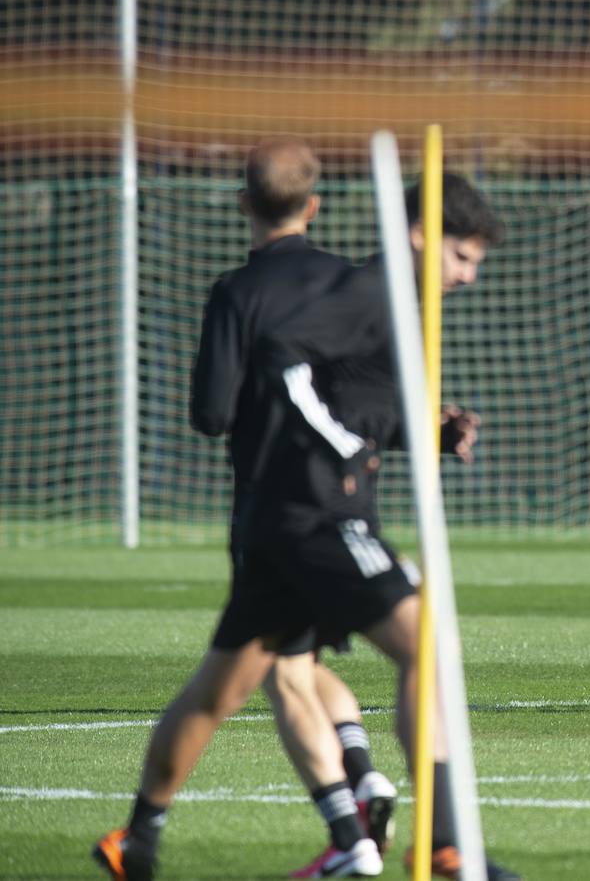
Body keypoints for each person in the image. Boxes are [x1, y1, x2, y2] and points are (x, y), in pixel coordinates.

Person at [94, 136, 389, 881]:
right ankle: (363, 781)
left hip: (271, 511)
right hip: (351, 503)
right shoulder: (354, 283)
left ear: (242, 204)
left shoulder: (236, 293)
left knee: (247, 680)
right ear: (314, 205)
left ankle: (148, 837)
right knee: (300, 659)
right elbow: (378, 395)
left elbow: (211, 413)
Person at [255, 171, 518, 881]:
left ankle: (349, 832)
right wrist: (338, 446)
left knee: (279, 674)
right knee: (424, 646)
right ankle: (441, 841)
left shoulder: (412, 308)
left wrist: (427, 430)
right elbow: (283, 360)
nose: (468, 276)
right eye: (462, 258)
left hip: (319, 513)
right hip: (318, 515)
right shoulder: (372, 295)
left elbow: (361, 402)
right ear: (419, 236)